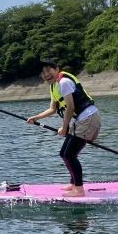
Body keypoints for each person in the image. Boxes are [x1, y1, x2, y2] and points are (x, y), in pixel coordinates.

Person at [27, 60, 101, 197]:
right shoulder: (54, 86)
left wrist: (64, 127)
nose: (46, 74)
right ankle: (74, 183)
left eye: (48, 70)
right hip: (81, 120)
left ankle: (79, 190)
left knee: (70, 154)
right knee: (64, 153)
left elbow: (70, 107)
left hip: (88, 118)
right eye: (43, 73)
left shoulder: (64, 82)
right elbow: (52, 109)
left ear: (56, 69)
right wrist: (36, 118)